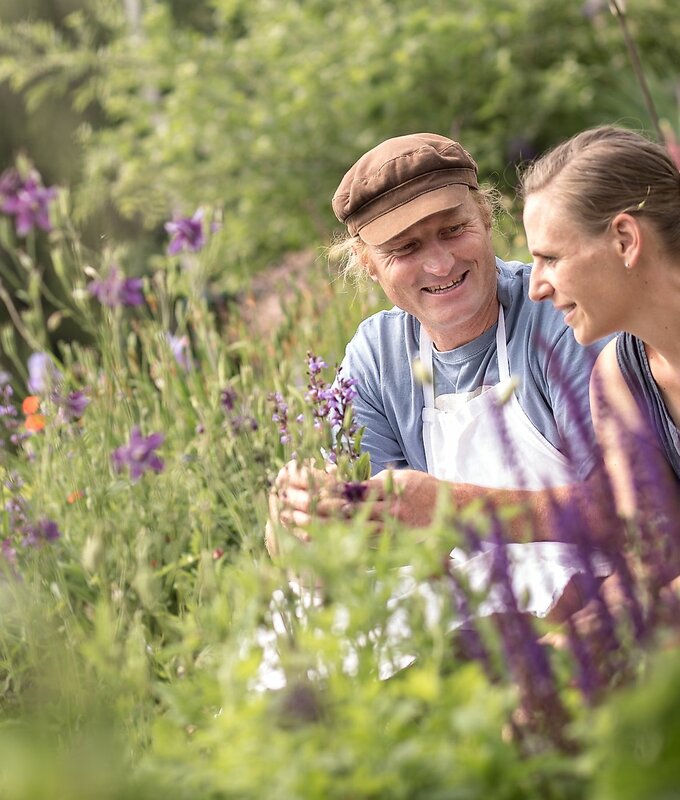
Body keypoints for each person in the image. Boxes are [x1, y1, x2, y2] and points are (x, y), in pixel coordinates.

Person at [267, 131, 618, 621]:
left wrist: (457, 509)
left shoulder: (559, 316)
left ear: (485, 216)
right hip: (466, 610)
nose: (439, 263)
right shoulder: (377, 355)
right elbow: (367, 541)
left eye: (453, 230)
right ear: (369, 265)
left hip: (588, 597)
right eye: (405, 248)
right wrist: (300, 515)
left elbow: (633, 509)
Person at [521, 124, 680, 594]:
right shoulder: (621, 377)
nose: (535, 287)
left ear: (626, 240)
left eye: (550, 258)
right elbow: (652, 563)